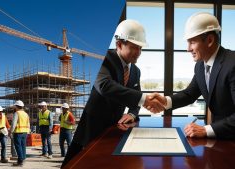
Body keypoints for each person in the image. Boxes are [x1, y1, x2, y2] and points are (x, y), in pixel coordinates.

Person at [61, 19, 165, 167]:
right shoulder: (104, 59)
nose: (139, 53)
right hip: (89, 131)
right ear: (119, 44)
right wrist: (144, 99)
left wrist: (132, 114)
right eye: (134, 47)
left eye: (141, 48)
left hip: (112, 132)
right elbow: (104, 85)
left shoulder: (135, 71)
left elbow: (136, 100)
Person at [150, 12, 235, 139]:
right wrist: (165, 101)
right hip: (220, 138)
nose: (188, 49)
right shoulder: (200, 66)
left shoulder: (232, 63)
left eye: (192, 42)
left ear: (210, 40)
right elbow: (189, 95)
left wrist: (206, 130)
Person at [9, 100, 30, 166]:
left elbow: (14, 124)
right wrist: (28, 131)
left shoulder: (17, 113)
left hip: (18, 132)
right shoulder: (26, 114)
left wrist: (10, 132)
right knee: (23, 146)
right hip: (25, 132)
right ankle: (22, 159)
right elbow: (28, 123)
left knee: (18, 146)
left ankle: (20, 161)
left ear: (17, 106)